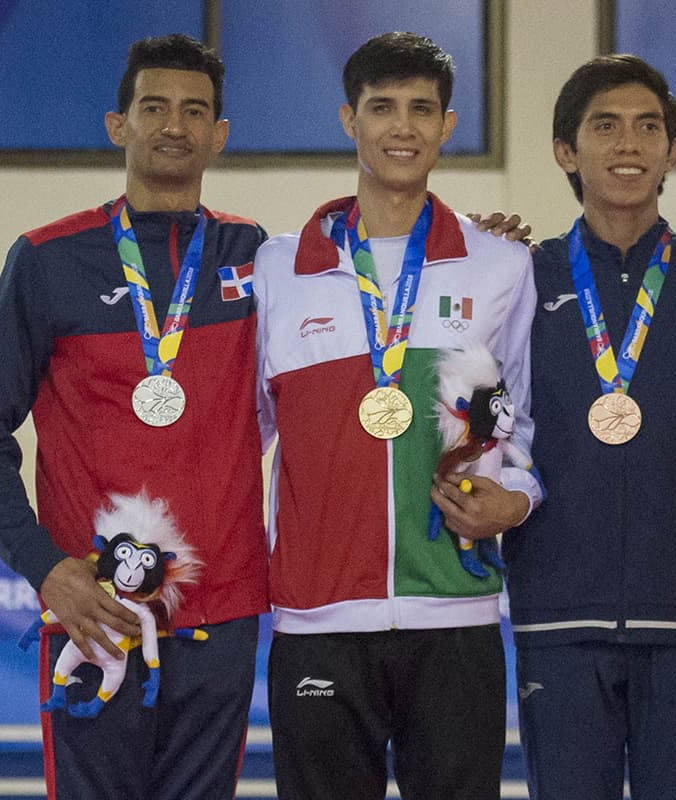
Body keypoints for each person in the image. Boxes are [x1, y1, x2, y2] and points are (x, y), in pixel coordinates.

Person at [0, 34, 268, 798]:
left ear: (219, 135)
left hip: (220, 610)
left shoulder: (258, 258)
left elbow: (377, 287)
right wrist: (46, 569)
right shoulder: (48, 258)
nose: (174, 125)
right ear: (116, 124)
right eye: (153, 106)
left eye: (195, 111)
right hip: (94, 608)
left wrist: (490, 249)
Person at [253, 31, 541, 800]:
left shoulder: (502, 266)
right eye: (383, 107)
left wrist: (520, 495)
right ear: (350, 119)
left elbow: (524, 416)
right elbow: (243, 431)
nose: (402, 127)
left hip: (456, 611)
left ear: (448, 126)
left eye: (422, 109)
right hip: (317, 617)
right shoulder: (280, 269)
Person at [501, 55, 676, 800]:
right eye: (605, 126)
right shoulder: (516, 279)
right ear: (566, 151)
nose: (629, 144)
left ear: (673, 151)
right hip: (557, 615)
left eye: (648, 127)